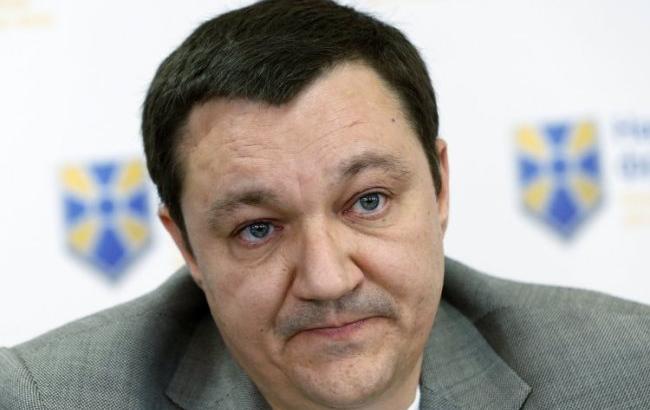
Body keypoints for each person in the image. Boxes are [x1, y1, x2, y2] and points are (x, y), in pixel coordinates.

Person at [1, 1, 649, 409]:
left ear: (440, 188)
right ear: (187, 247)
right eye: (258, 229)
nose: (327, 278)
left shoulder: (626, 371)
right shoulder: (46, 398)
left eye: (367, 201)